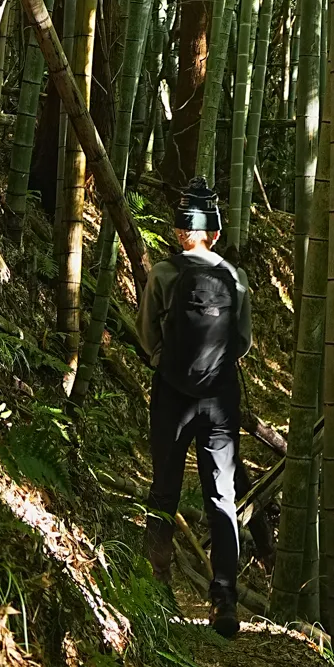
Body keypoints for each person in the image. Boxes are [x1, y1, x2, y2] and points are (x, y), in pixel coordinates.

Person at [137, 175, 252, 639]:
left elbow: (148, 337)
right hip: (221, 399)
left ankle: (155, 586)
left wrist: (171, 366)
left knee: (164, 489)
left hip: (172, 396)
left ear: (179, 230)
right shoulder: (236, 279)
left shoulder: (164, 273)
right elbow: (241, 342)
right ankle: (224, 599)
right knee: (221, 497)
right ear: (216, 233)